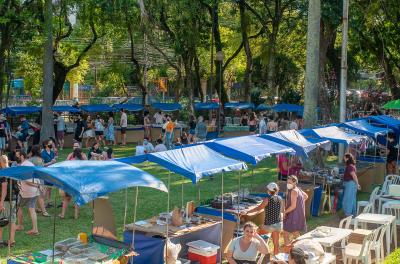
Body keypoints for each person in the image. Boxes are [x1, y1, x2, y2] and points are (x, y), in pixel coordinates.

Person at [244, 183, 282, 256]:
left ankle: (253, 250)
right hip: (278, 224)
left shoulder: (267, 199)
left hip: (269, 226)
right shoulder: (280, 198)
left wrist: (247, 212)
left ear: (268, 190)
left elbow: (258, 208)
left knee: (254, 232)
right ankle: (276, 259)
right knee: (276, 244)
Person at [16, 150, 40, 236]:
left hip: (26, 191)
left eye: (17, 156)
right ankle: (35, 229)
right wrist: (38, 186)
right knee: (32, 209)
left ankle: (20, 225)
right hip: (34, 191)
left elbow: (27, 181)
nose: (16, 158)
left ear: (22, 156)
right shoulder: (30, 164)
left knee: (19, 207)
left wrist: (36, 186)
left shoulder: (23, 166)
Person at [60, 148, 86, 219]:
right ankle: (76, 215)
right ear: (80, 154)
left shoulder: (70, 161)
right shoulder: (83, 163)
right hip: (78, 182)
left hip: (69, 182)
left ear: (74, 154)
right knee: (77, 199)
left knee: (66, 199)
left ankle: (62, 215)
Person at [283, 175, 308, 246]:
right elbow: (306, 196)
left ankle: (289, 252)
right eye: (287, 182)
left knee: (286, 235)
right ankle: (301, 248)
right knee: (296, 234)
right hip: (298, 215)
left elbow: (293, 206)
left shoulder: (293, 191)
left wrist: (285, 212)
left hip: (293, 215)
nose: (288, 184)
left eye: (290, 182)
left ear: (294, 183)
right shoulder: (298, 189)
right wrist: (299, 205)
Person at [0, 155, 18, 247]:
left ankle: (0, 241)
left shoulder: (3, 173)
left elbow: (4, 189)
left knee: (1, 220)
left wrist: (1, 202)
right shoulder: (13, 171)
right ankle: (11, 240)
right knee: (12, 220)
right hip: (14, 198)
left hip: (6, 200)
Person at [29, 145, 50, 217]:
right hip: (39, 179)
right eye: (40, 149)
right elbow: (42, 170)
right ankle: (44, 211)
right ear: (38, 151)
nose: (41, 150)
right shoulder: (39, 159)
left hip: (32, 179)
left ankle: (37, 208)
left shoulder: (30, 159)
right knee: (41, 196)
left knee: (36, 195)